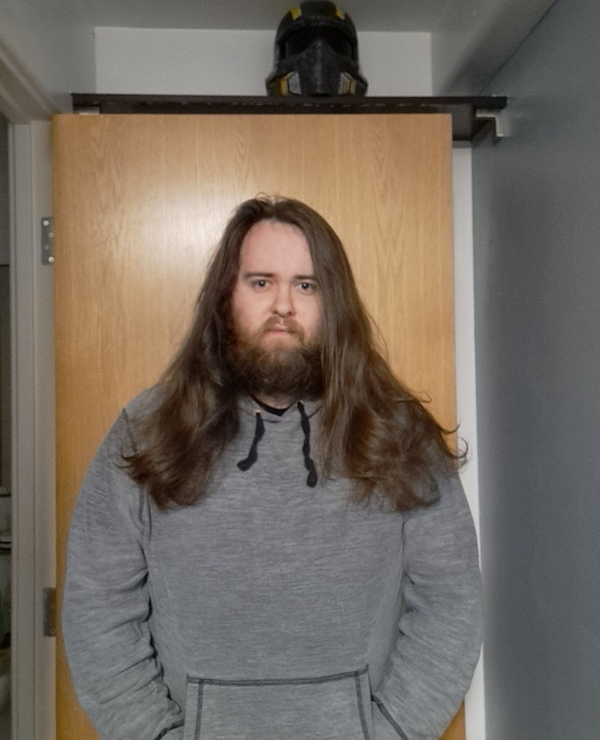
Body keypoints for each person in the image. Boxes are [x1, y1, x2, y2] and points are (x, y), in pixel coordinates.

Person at [62, 195, 482, 740]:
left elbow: (450, 600)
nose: (283, 305)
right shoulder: (148, 430)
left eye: (306, 286)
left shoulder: (398, 433)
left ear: (334, 303)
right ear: (225, 297)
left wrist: (393, 732)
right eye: (261, 282)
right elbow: (99, 606)